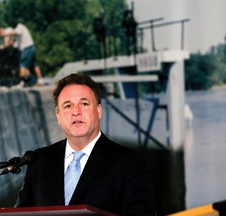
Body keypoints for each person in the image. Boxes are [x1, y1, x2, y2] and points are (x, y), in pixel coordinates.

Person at [14, 74, 156, 215]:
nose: (76, 112)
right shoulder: (39, 160)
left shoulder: (129, 163)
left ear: (99, 111)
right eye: (68, 106)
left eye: (84, 104)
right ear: (58, 115)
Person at [1, 20, 43, 87]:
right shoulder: (21, 28)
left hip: (27, 49)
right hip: (31, 48)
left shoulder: (19, 27)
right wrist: (9, 44)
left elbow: (15, 33)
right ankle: (40, 81)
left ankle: (25, 82)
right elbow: (16, 42)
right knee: (34, 65)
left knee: (22, 65)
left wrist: (5, 34)